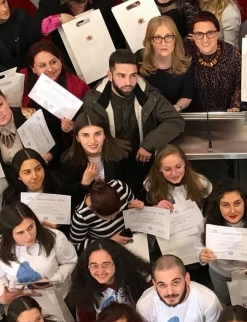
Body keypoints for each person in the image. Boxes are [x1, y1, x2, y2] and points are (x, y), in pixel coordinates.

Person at [81, 49, 185, 177]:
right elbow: (83, 132)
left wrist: (149, 144)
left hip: (142, 164)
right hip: (108, 166)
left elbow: (175, 121)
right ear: (110, 75)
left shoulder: (150, 95)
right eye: (121, 76)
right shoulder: (93, 100)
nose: (128, 82)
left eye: (133, 75)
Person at [0, 203, 78, 309]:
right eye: (20, 232)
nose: (29, 236)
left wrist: (55, 279)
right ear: (9, 234)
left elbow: (70, 262)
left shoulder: (54, 237)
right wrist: (2, 297)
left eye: (30, 227)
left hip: (57, 297)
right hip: (22, 304)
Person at [198, 180, 247, 305]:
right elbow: (198, 245)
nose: (233, 211)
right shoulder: (207, 223)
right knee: (225, 302)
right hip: (221, 273)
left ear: (245, 202)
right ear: (218, 206)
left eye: (237, 203)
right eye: (226, 205)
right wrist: (201, 255)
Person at [0, 81, 63, 165]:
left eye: (0, 105)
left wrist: (46, 158)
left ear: (6, 99)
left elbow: (56, 144)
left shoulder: (29, 116)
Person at [38, 0, 125, 61]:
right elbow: (32, 33)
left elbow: (116, 34)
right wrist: (58, 19)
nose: (81, 5)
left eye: (86, 0)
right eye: (75, 2)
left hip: (103, 56)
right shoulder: (50, 4)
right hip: (69, 61)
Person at [70, 238, 152, 322]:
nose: (100, 271)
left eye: (106, 264)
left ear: (116, 263)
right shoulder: (82, 287)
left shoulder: (139, 276)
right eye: (94, 265)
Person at [60, 111, 135, 206]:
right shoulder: (67, 159)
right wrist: (84, 183)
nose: (92, 141)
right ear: (77, 138)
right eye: (85, 135)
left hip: (120, 204)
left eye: (97, 134)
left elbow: (133, 183)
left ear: (104, 135)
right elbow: (68, 194)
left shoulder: (123, 152)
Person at [0, 149, 72, 238]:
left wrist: (59, 225)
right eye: (27, 172)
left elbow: (71, 220)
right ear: (18, 176)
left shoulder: (59, 184)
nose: (35, 176)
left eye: (38, 169)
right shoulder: (11, 198)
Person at [138, 15, 195, 111]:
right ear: (150, 40)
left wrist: (176, 108)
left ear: (175, 39)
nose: (163, 43)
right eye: (157, 37)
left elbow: (187, 96)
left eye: (168, 37)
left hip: (173, 114)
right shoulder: (139, 59)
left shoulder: (184, 63)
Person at [189, 11, 241, 112]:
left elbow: (240, 83)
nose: (205, 39)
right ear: (193, 36)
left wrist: (235, 105)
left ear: (217, 33)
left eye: (210, 33)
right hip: (194, 116)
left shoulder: (232, 53)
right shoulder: (186, 53)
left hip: (228, 114)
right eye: (199, 34)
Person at [70, 180, 141, 252]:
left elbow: (132, 203)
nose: (113, 218)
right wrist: (109, 242)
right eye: (108, 217)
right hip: (107, 249)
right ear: (93, 210)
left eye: (118, 212)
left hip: (135, 236)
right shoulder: (81, 216)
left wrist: (137, 206)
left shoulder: (120, 187)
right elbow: (76, 245)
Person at [21, 39, 89, 113]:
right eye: (42, 65)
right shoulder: (22, 78)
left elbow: (89, 115)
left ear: (60, 60)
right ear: (33, 68)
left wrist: (75, 120)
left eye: (53, 62)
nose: (50, 69)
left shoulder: (79, 87)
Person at [143, 145, 212, 208]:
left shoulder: (201, 183)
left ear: (185, 163)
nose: (174, 174)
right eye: (167, 169)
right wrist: (156, 208)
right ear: (159, 169)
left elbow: (210, 211)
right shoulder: (151, 184)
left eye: (178, 167)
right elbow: (145, 212)